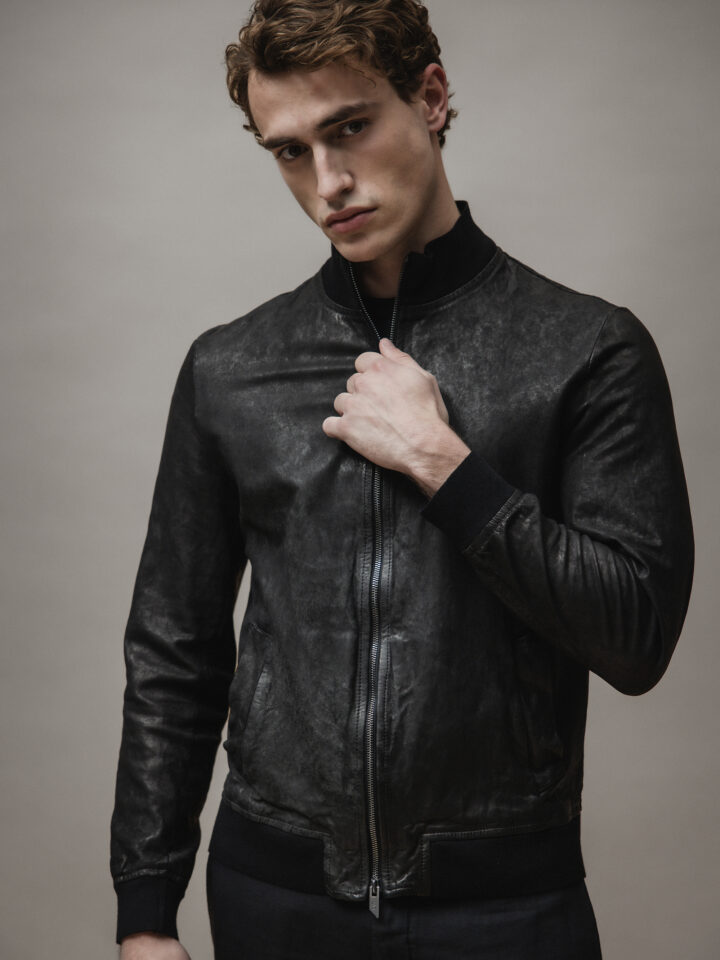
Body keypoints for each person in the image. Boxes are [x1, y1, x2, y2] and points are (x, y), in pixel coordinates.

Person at [110, 1, 694, 957]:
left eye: (349, 128)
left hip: (504, 905)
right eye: (290, 151)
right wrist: (144, 908)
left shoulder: (587, 351)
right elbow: (175, 649)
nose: (328, 182)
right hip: (274, 899)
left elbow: (636, 637)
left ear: (430, 98)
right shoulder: (231, 368)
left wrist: (444, 464)